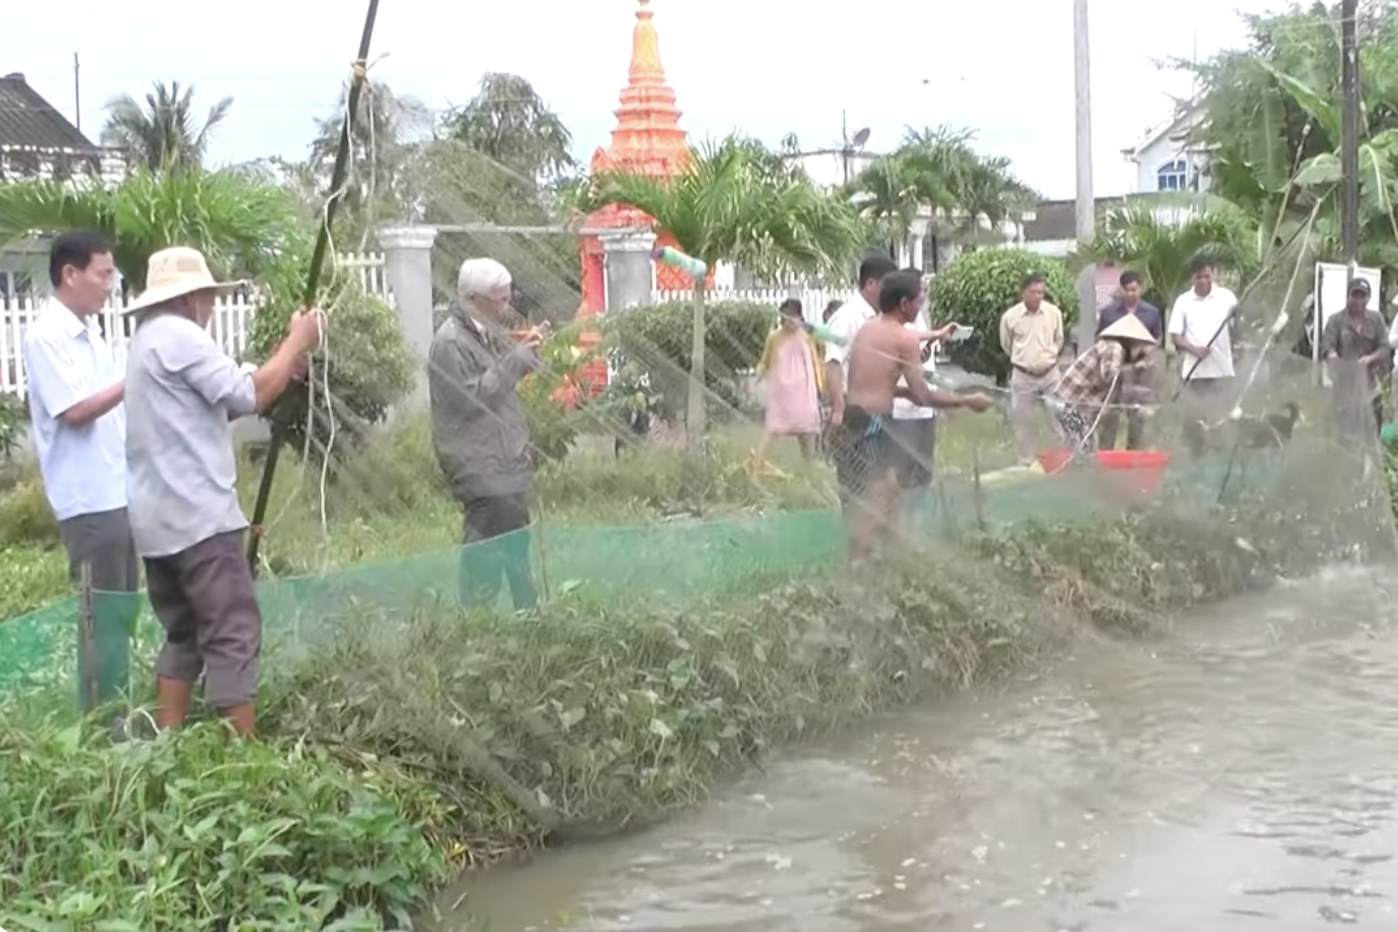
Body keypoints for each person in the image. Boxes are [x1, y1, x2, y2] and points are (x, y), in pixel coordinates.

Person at [124, 246, 322, 737]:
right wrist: (297, 342)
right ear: (192, 298)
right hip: (199, 521)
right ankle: (241, 757)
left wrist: (282, 361)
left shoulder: (148, 338)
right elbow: (248, 395)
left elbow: (221, 403)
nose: (211, 305)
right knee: (233, 630)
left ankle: (167, 741)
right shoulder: (182, 335)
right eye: (209, 296)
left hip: (158, 523)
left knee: (184, 631)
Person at [843, 271, 992, 561]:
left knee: (893, 493)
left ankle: (897, 556)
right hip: (874, 422)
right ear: (903, 304)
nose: (920, 308)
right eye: (918, 303)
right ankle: (856, 566)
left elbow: (876, 381)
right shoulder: (904, 340)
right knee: (878, 497)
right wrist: (968, 400)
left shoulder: (869, 329)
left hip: (856, 416)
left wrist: (936, 334)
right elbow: (923, 395)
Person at [21, 232, 135, 598]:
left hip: (117, 492)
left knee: (122, 609)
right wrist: (135, 380)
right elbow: (74, 412)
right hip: (89, 502)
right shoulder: (46, 336)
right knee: (101, 617)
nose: (110, 286)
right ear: (70, 274)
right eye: (103, 275)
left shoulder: (91, 333)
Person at [429, 258, 543, 612]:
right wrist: (516, 361)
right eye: (500, 300)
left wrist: (524, 357)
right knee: (485, 560)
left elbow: (497, 383)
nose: (506, 308)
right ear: (474, 299)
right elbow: (472, 398)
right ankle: (477, 635)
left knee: (516, 553)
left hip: (504, 465)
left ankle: (530, 627)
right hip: (481, 468)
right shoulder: (450, 343)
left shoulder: (480, 333)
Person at [888, 267, 959, 496]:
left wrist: (927, 349)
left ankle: (921, 513)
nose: (924, 295)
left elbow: (915, 352)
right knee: (903, 467)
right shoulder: (894, 322)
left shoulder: (918, 316)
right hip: (902, 408)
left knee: (924, 466)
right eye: (921, 290)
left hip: (924, 406)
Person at [1046, 314, 1158, 452]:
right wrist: (1136, 367)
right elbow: (1110, 375)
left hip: (1067, 402)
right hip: (1069, 403)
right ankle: (1078, 470)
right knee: (1085, 447)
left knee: (1081, 444)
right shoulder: (1114, 347)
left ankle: (1077, 469)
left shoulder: (1114, 349)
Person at [999, 273, 1066, 465]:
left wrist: (1048, 358)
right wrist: (1024, 359)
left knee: (1057, 419)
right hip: (1023, 375)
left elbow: (1059, 339)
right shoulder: (1010, 317)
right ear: (1023, 293)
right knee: (1023, 422)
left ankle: (1058, 461)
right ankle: (1026, 462)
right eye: (1034, 292)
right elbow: (1006, 344)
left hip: (1050, 374)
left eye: (1041, 292)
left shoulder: (1054, 313)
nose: (1038, 296)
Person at [1094, 270, 1164, 451]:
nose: (1131, 293)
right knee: (1110, 416)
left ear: (1140, 288)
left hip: (1140, 372)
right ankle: (1106, 455)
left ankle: (1133, 455)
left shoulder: (1152, 312)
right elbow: (1099, 338)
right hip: (1114, 372)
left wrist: (1150, 349)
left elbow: (1158, 337)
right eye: (1128, 290)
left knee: (1137, 416)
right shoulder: (1109, 313)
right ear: (1121, 290)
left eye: (1135, 289)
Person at [1168, 257, 1237, 423]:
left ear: (1213, 274)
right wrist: (1194, 349)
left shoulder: (1228, 298)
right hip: (1195, 373)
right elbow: (1175, 336)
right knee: (1196, 420)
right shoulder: (1183, 302)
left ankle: (1221, 447)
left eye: (1207, 276)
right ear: (1192, 277)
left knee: (1223, 418)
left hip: (1223, 371)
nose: (1204, 281)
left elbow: (1238, 325)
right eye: (1199, 277)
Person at [754, 298, 823, 466]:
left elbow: (817, 361)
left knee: (807, 428)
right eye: (784, 319)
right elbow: (766, 360)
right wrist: (760, 373)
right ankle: (757, 463)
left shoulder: (809, 337)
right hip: (781, 391)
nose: (788, 323)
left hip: (804, 391)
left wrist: (821, 384)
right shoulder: (774, 338)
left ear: (800, 317)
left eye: (792, 318)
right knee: (773, 427)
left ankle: (810, 465)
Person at [1320, 277, 1389, 442]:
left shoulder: (1376, 320)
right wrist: (1332, 355)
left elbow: (1385, 348)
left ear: (1368, 298)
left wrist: (1370, 358)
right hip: (1344, 388)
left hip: (1370, 387)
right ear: (1347, 296)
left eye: (1362, 296)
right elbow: (1326, 346)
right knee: (1344, 434)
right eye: (1355, 295)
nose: (1358, 300)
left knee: (1371, 433)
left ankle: (1369, 464)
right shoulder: (1335, 320)